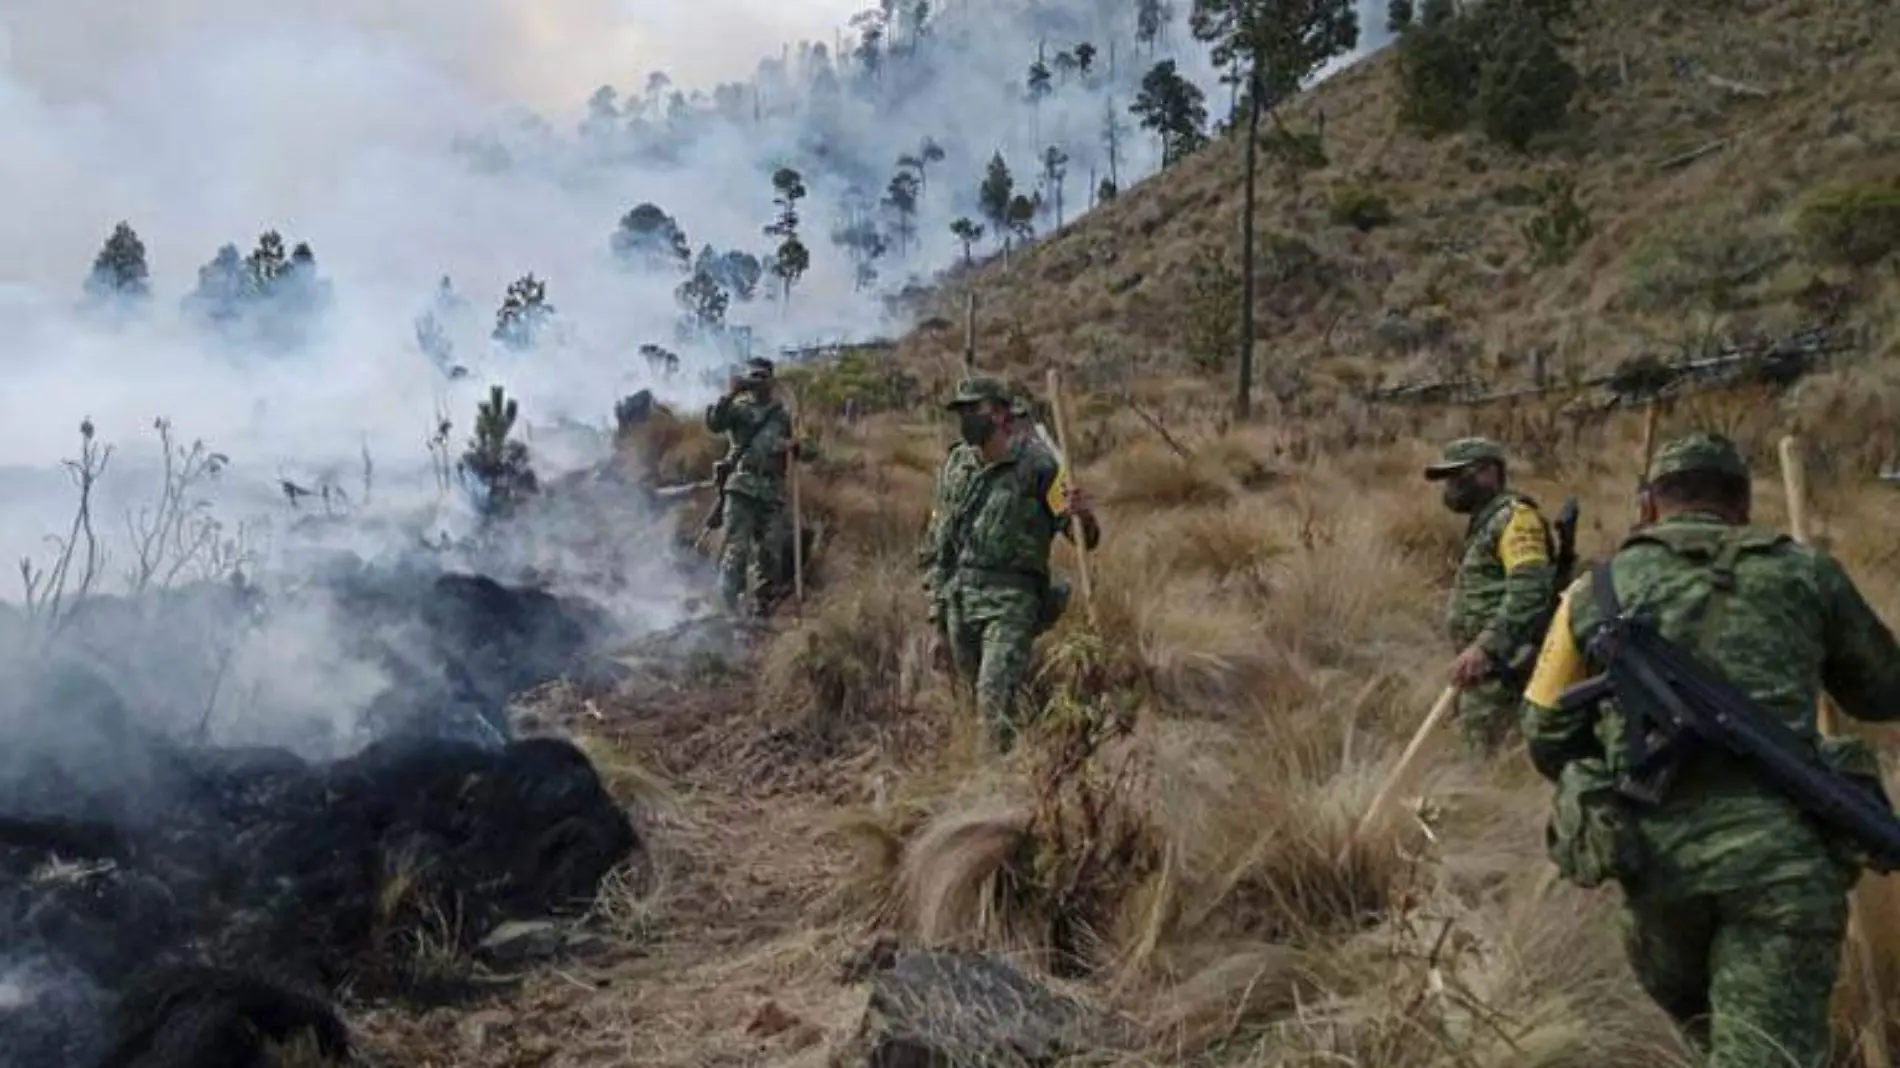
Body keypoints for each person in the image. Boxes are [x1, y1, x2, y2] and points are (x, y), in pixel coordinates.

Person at [1520, 432, 1900, 1068]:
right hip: (1783, 866)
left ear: (1647, 506)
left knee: (1719, 1039)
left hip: (1657, 871)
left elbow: (1545, 733)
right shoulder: (1804, 571)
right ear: (1744, 504)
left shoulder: (1593, 592)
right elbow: (1883, 692)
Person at [923, 376, 1099, 750]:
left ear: (1001, 414)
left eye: (975, 410)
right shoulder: (956, 465)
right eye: (961, 411)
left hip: (1012, 599)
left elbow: (1084, 538)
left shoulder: (1040, 467)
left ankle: (994, 787)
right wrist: (937, 616)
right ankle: (1016, 758)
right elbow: (939, 542)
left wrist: (1082, 515)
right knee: (971, 699)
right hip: (960, 599)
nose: (966, 418)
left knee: (993, 699)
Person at [1424, 436, 1558, 753]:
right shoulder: (1488, 522)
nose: (1451, 487)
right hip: (1484, 670)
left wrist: (1487, 647)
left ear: (1488, 473)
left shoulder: (1516, 519)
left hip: (1504, 668)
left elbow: (1529, 591)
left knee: (1491, 756)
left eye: (1458, 476)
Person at [704, 357, 804, 617]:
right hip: (742, 488)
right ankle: (728, 606)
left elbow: (806, 447)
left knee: (770, 553)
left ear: (771, 381)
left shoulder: (782, 414)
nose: (758, 383)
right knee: (737, 549)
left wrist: (794, 446)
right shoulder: (738, 409)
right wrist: (731, 392)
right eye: (753, 377)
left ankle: (762, 605)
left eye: (763, 377)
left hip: (771, 490)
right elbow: (714, 423)